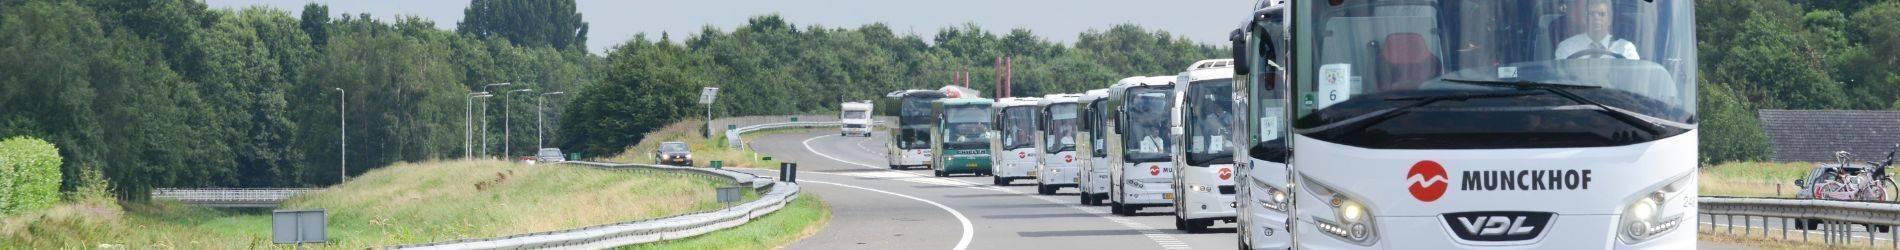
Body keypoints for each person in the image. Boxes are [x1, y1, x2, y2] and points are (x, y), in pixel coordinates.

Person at [1554, 0, 1639, 60]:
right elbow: (1560, 78)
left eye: (1601, 14)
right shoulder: (1567, 47)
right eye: (1591, 13)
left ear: (1609, 19)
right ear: (1584, 19)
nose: (1596, 18)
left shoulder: (1626, 49)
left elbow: (1634, 78)